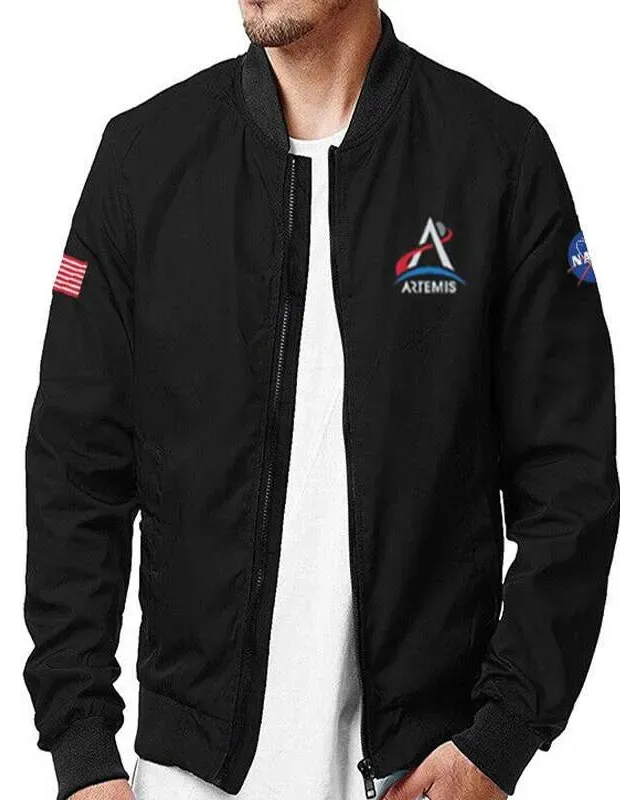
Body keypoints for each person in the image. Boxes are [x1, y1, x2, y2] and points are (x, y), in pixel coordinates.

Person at [24, 1, 620, 799]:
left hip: (419, 774)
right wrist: (82, 752)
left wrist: (501, 737)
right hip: (186, 777)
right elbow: (74, 471)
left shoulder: (495, 158)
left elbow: (572, 478)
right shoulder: (146, 159)